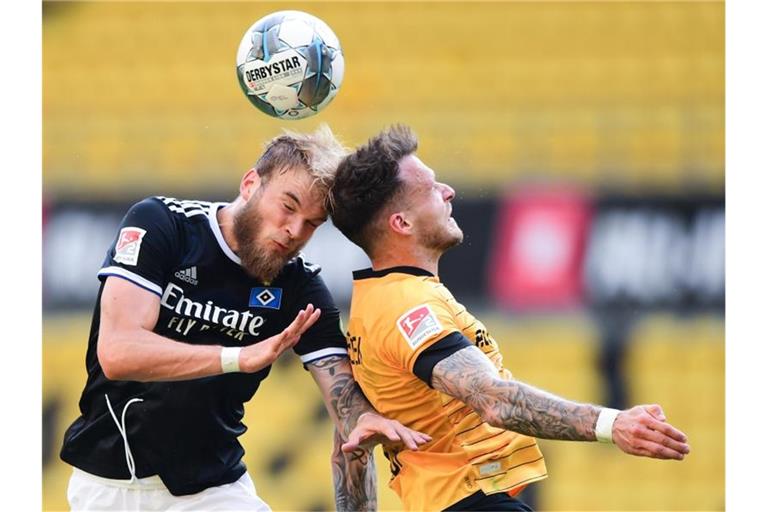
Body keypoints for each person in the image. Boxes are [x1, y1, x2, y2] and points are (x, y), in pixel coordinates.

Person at [59, 125, 430, 511]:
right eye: (288, 206)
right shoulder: (163, 224)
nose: (294, 231)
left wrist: (360, 418)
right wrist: (237, 356)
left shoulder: (300, 287)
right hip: (107, 487)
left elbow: (342, 397)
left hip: (213, 490)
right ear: (251, 183)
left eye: (312, 223)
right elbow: (118, 352)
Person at [329, 125, 691, 512]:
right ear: (401, 223)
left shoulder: (370, 307)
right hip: (469, 501)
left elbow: (348, 447)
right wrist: (611, 424)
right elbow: (494, 401)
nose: (448, 191)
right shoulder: (408, 307)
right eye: (432, 189)